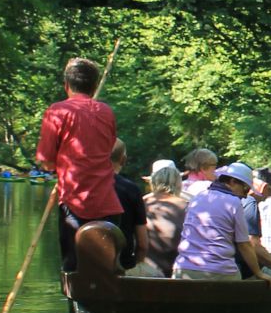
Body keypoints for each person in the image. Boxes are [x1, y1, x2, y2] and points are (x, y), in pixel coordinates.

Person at [35, 58, 123, 273]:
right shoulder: (106, 112)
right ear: (94, 86)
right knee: (105, 273)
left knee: (73, 271)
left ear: (66, 85)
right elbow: (109, 147)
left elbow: (45, 160)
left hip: (74, 204)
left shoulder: (57, 112)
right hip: (108, 205)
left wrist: (58, 166)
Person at [174, 162, 271, 281]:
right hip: (218, 272)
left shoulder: (198, 197)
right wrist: (259, 273)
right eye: (245, 189)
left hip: (182, 268)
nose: (246, 195)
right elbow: (245, 245)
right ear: (232, 182)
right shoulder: (233, 202)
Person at [134, 160, 187, 277]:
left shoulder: (142, 203)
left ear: (153, 181)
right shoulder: (188, 206)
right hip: (175, 272)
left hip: (143, 270)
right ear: (178, 182)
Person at [109, 139, 143, 271]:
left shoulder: (83, 186)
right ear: (123, 160)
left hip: (83, 265)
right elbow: (143, 244)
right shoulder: (131, 189)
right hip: (123, 266)